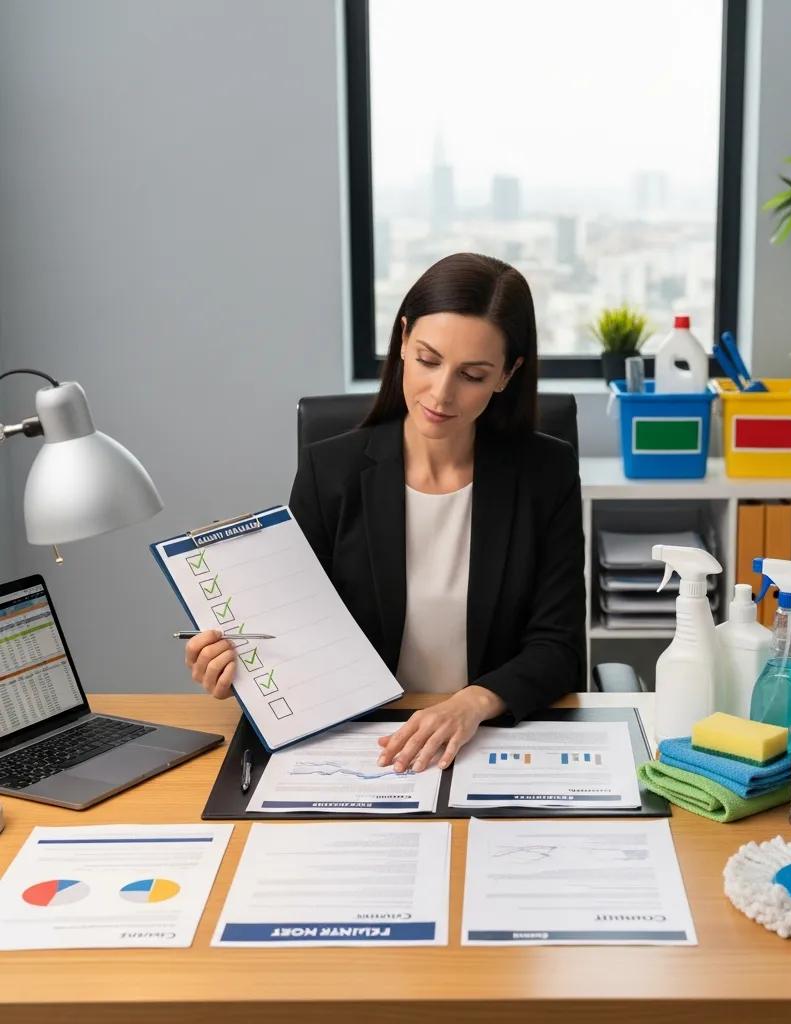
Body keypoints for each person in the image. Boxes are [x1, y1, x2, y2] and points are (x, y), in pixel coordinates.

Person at [185, 252, 586, 772]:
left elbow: (560, 648)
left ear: (507, 374)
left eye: (472, 374)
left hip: (490, 740)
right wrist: (233, 663)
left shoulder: (544, 473)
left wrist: (471, 703)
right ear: (402, 340)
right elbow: (291, 631)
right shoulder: (330, 471)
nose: (441, 393)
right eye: (427, 360)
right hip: (367, 746)